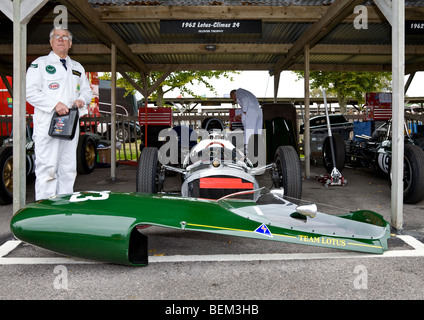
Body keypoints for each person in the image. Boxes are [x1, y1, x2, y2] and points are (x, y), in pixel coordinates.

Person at [26, 27, 93, 201]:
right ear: (51, 41)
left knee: (68, 168)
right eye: (57, 36)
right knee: (47, 169)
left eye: (65, 37)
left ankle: (64, 208)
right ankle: (45, 211)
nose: (61, 39)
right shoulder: (39, 64)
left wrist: (82, 100)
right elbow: (30, 92)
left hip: (70, 125)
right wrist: (54, 104)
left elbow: (87, 92)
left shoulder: (77, 67)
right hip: (47, 124)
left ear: (70, 44)